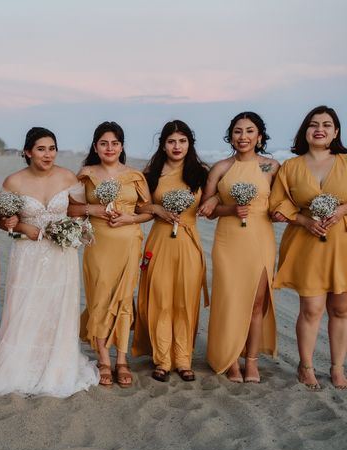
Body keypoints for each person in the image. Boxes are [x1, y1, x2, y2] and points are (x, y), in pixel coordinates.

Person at [0, 127, 99, 397]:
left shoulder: (67, 177)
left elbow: (76, 212)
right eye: (41, 149)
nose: (48, 154)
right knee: (28, 307)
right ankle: (22, 368)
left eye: (52, 148)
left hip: (61, 254)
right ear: (27, 152)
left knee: (58, 308)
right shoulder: (13, 182)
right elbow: (2, 221)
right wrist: (21, 226)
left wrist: (72, 228)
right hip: (28, 254)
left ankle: (57, 367)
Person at [68, 121, 152, 388]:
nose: (109, 148)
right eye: (104, 143)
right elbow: (71, 210)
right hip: (98, 243)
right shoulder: (85, 174)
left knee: (125, 299)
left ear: (122, 146)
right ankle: (104, 359)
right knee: (100, 298)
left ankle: (122, 360)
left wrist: (129, 218)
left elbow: (148, 212)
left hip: (128, 242)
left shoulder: (135, 176)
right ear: (95, 146)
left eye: (115, 143)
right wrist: (93, 210)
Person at [270, 106, 347, 390]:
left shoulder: (346, 161)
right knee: (312, 308)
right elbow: (277, 203)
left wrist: (342, 210)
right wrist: (303, 220)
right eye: (314, 124)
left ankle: (337, 367)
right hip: (307, 242)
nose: (320, 129)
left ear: (336, 132)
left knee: (341, 308)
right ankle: (306, 366)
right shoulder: (291, 166)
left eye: (327, 125)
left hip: (343, 241)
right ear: (305, 131)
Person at [203, 112, 280, 383]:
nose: (243, 136)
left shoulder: (271, 167)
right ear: (231, 136)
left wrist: (281, 212)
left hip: (260, 238)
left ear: (259, 136)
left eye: (249, 131)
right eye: (237, 131)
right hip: (228, 240)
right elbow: (207, 209)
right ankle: (231, 359)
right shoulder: (221, 167)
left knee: (257, 302)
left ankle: (252, 361)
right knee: (230, 299)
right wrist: (226, 208)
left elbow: (280, 203)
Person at [132, 120, 210, 382]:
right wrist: (156, 209)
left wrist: (214, 202)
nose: (177, 146)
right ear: (163, 145)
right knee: (160, 298)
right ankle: (162, 359)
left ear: (190, 143)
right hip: (160, 240)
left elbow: (218, 196)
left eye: (182, 141)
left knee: (185, 301)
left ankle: (183, 358)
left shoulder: (201, 172)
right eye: (172, 141)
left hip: (189, 241)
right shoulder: (151, 173)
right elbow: (138, 207)